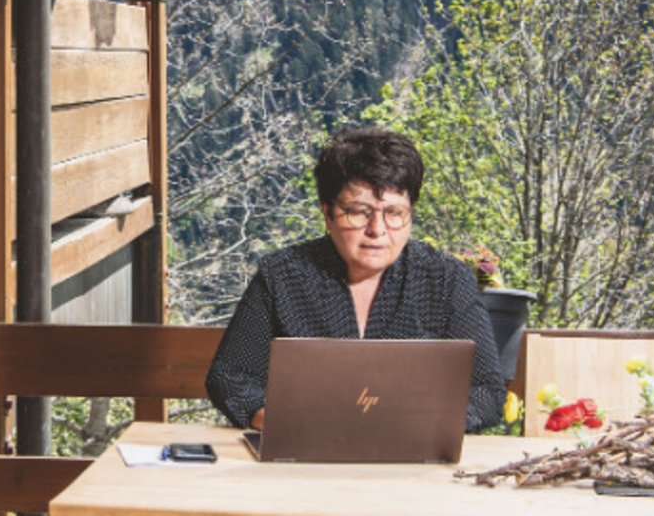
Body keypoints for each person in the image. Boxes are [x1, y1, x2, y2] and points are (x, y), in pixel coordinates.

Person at [205, 128, 505, 433]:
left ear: (410, 213)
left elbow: (487, 392)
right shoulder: (282, 276)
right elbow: (230, 376)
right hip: (306, 453)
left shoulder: (447, 281)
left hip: (413, 454)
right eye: (359, 213)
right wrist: (276, 420)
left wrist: (423, 425)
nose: (377, 229)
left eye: (394, 213)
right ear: (328, 213)